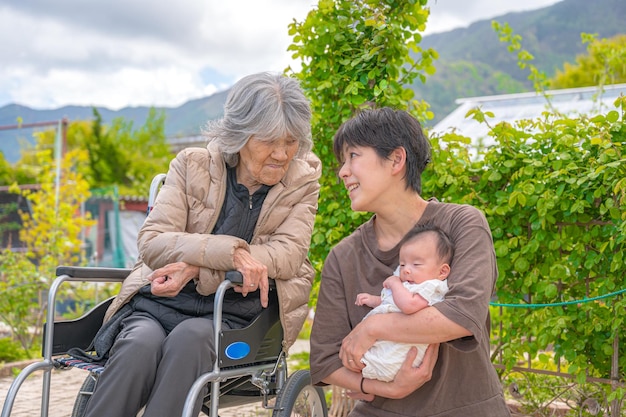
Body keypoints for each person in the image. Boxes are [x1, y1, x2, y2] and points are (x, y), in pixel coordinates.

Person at [82, 72, 322, 417]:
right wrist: (232, 254)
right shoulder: (191, 165)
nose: (282, 154)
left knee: (190, 340)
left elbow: (289, 253)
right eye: (269, 140)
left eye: (291, 141)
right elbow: (153, 241)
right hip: (160, 304)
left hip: (235, 315)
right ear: (239, 135)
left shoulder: (303, 182)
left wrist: (198, 265)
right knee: (138, 345)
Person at [309, 107, 511, 416]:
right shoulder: (343, 257)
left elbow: (461, 315)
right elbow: (324, 362)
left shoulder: (461, 224)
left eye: (353, 156)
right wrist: (384, 388)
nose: (342, 172)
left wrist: (373, 327)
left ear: (396, 160)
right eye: (342, 161)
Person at [355, 224, 452, 382]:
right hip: (390, 342)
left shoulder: (431, 286)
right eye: (402, 264)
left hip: (401, 351)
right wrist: (374, 300)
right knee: (358, 358)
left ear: (442, 272)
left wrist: (394, 283)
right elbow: (392, 304)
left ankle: (368, 385)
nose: (406, 270)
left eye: (416, 264)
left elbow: (408, 306)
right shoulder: (410, 285)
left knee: (367, 362)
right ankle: (367, 387)